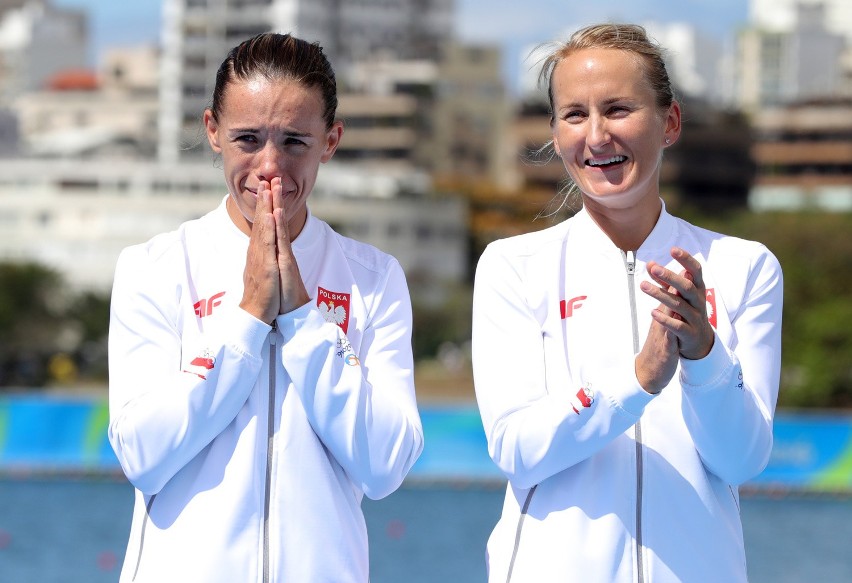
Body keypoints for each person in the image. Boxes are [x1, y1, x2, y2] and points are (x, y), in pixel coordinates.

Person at [107, 32, 423, 582]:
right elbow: (142, 455)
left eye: (296, 141)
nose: (270, 166)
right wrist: (249, 317)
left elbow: (387, 466)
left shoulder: (374, 279)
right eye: (248, 138)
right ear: (212, 132)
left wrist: (303, 318)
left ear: (331, 139)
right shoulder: (153, 268)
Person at [472, 24, 783, 583]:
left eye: (617, 109)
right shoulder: (512, 266)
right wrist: (638, 380)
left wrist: (705, 354)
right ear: (554, 131)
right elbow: (516, 449)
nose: (596, 136)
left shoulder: (745, 266)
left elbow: (743, 460)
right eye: (574, 114)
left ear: (670, 123)